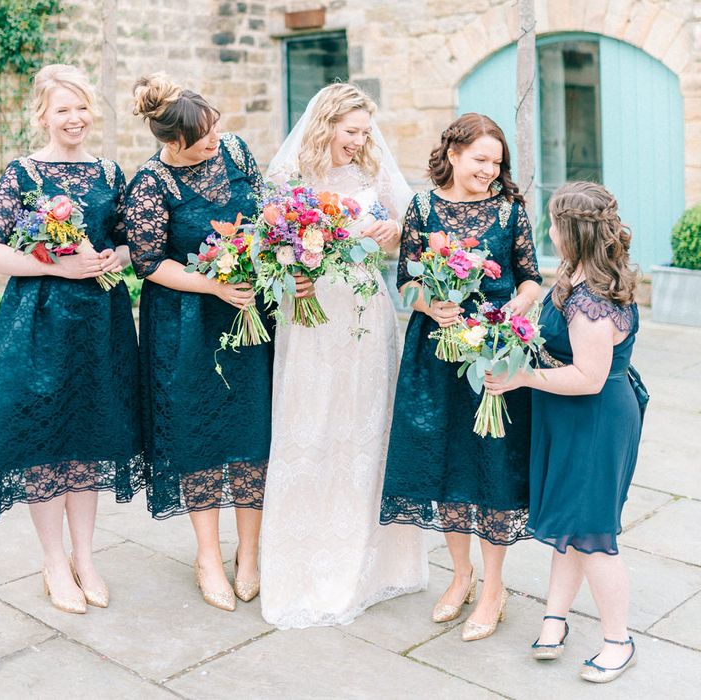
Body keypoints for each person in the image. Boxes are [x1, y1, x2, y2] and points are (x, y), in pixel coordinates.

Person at [0, 64, 143, 614]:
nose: (75, 117)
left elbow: (135, 240)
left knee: (87, 437)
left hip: (101, 324)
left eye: (82, 106)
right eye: (63, 109)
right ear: (43, 115)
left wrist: (115, 256)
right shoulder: (22, 174)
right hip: (39, 323)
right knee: (46, 439)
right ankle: (54, 562)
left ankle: (86, 558)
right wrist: (58, 268)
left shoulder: (109, 173)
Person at [259, 83, 428, 629]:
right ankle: (302, 554)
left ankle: (371, 561)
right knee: (310, 420)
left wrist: (390, 232)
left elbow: (411, 234)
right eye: (350, 131)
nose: (359, 141)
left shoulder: (371, 175)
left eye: (364, 132)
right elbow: (265, 250)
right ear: (325, 125)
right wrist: (292, 272)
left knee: (362, 423)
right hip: (308, 313)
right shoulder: (288, 180)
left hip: (362, 311)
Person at [381, 113, 542, 641]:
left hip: (493, 354)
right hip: (435, 355)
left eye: (497, 163)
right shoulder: (423, 209)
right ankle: (461, 576)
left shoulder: (510, 210)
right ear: (452, 154)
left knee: (491, 463)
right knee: (447, 459)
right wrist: (431, 303)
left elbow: (531, 280)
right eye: (481, 160)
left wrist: (509, 315)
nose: (490, 171)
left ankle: (493, 587)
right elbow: (405, 282)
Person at [123, 74, 272, 612]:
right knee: (199, 432)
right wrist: (212, 282)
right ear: (172, 141)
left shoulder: (235, 152)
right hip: (186, 325)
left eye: (215, 129)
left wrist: (278, 262)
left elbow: (268, 218)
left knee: (255, 425)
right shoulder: (149, 184)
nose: (215, 140)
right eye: (203, 136)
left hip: (252, 315)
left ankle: (249, 552)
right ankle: (208, 555)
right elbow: (149, 263)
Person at [485, 181, 641, 682]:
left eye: (553, 221)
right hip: (569, 414)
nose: (547, 229)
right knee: (571, 524)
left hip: (593, 418)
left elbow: (589, 377)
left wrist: (521, 377)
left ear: (570, 231)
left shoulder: (592, 297)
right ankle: (555, 617)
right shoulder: (577, 273)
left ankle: (619, 639)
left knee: (593, 531)